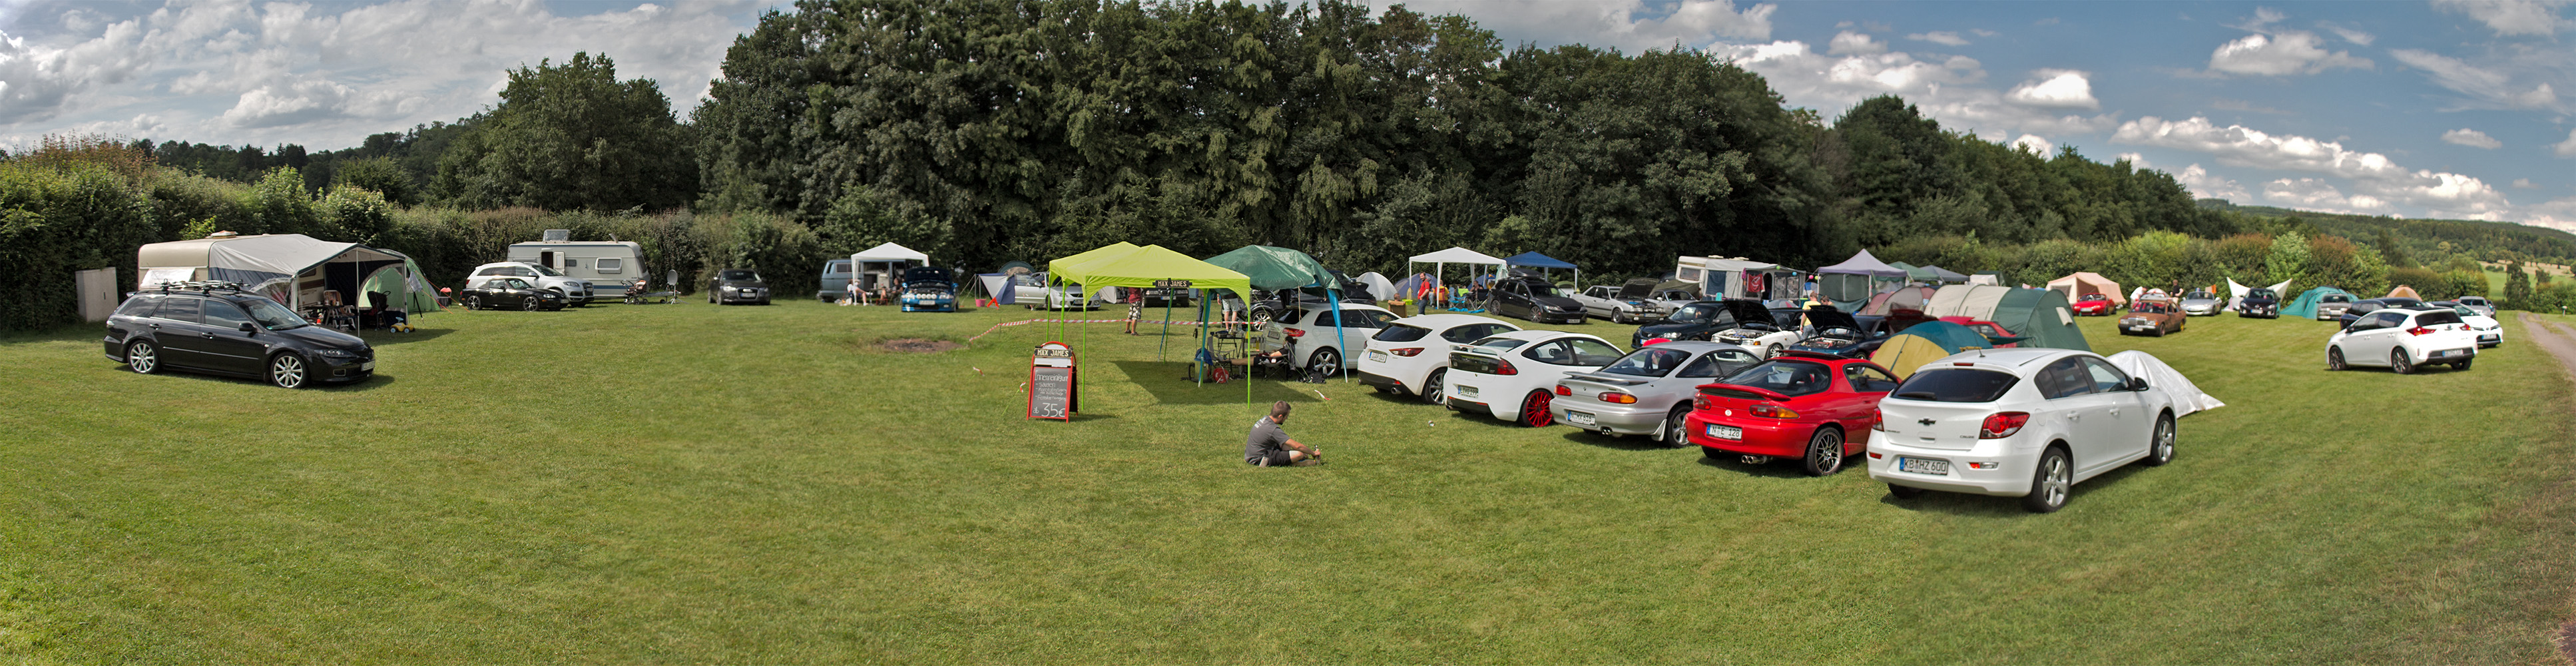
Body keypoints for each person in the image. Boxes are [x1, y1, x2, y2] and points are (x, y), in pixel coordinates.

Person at [1245, 401, 1321, 467]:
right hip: (1259, 459)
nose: (1286, 419)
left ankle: (1290, 459)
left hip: (1254, 454)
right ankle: (1294, 463)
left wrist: (1305, 452)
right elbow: (1297, 446)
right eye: (1286, 417)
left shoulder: (1265, 419)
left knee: (1286, 444)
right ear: (1280, 416)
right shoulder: (1273, 429)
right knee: (1299, 454)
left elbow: (1287, 443)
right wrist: (1313, 453)